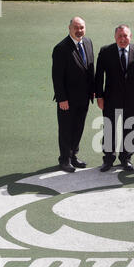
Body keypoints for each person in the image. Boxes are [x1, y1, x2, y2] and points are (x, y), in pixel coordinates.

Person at [95, 24, 134, 172]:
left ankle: (126, 158)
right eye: (119, 36)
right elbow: (99, 76)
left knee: (129, 128)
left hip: (133, 99)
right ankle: (108, 159)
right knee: (109, 129)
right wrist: (99, 96)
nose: (122, 39)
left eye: (125, 36)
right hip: (110, 99)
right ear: (115, 37)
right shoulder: (106, 51)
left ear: (130, 37)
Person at [51, 16, 95, 172]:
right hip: (67, 100)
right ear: (69, 28)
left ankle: (73, 156)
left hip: (84, 98)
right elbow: (57, 77)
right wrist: (62, 98)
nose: (79, 30)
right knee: (66, 129)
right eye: (76, 27)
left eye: (82, 27)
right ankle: (64, 159)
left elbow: (90, 68)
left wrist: (93, 90)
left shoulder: (88, 43)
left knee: (78, 128)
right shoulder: (61, 48)